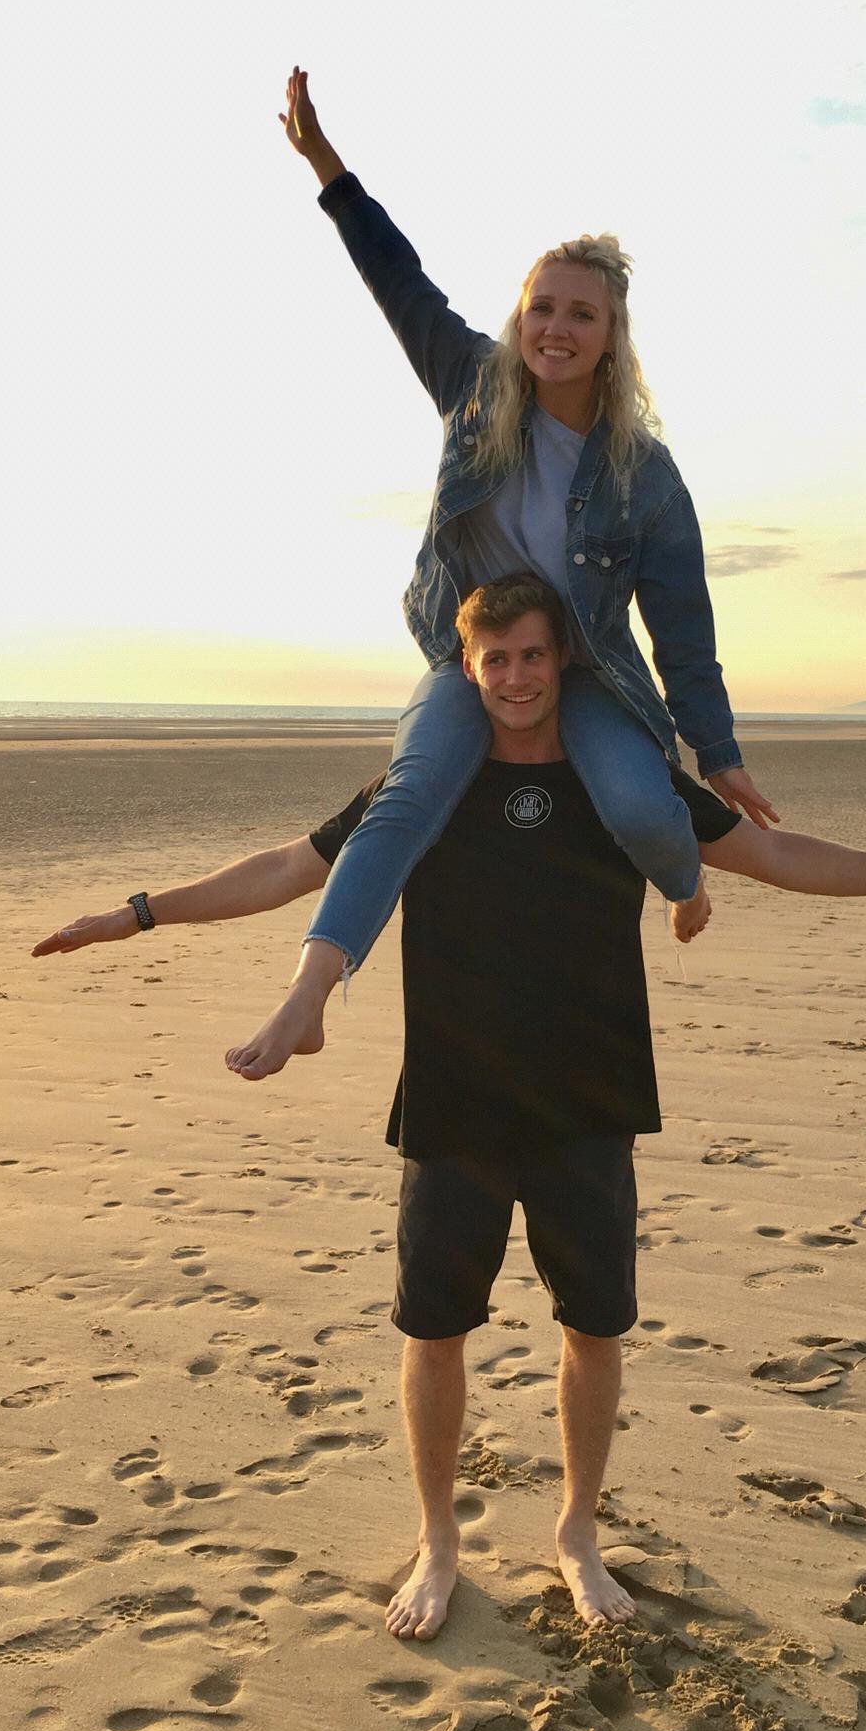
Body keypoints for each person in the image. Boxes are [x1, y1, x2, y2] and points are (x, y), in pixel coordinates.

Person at [34, 575, 866, 1642]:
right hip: (456, 1097)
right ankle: (439, 1538)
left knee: (593, 1325)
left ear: (562, 660)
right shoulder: (428, 783)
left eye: (532, 655)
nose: (516, 677)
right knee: (433, 1331)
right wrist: (139, 913)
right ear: (467, 670)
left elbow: (781, 854)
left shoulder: (627, 790)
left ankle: (576, 1531)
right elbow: (292, 865)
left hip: (588, 1096)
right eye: (495, 659)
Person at [234, 66, 781, 1083]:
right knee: (403, 803)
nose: (555, 329)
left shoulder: (644, 472)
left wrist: (719, 749)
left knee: (645, 813)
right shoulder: (473, 384)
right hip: (473, 655)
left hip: (589, 674)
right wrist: (327, 168)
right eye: (542, 308)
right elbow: (399, 279)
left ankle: (684, 884)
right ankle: (309, 994)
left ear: (611, 336)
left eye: (580, 314)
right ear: (520, 315)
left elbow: (682, 623)